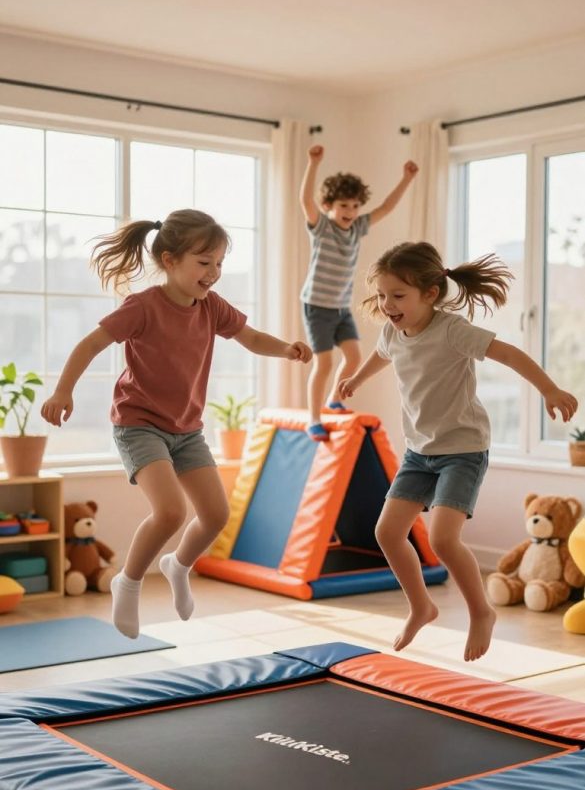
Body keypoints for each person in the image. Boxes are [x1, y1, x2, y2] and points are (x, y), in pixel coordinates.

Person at [41, 210, 312, 639]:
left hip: (186, 429)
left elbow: (250, 337)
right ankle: (126, 581)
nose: (214, 273)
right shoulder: (143, 307)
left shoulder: (211, 307)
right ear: (170, 261)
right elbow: (90, 343)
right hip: (139, 424)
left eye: (219, 263)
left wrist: (286, 349)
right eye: (204, 263)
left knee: (216, 513)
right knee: (170, 511)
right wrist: (63, 391)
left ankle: (177, 565)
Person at [338, 241, 578, 661]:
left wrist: (549, 388)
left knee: (444, 538)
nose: (388, 305)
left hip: (462, 450)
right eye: (382, 295)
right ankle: (421, 607)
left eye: (398, 296)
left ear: (430, 294)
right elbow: (382, 355)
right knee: (387, 532)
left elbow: (508, 353)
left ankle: (480, 613)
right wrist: (356, 380)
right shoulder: (394, 331)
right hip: (419, 451)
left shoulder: (452, 330)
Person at [299, 144, 418, 440]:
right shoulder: (322, 227)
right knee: (324, 363)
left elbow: (387, 207)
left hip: (340, 307)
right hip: (317, 305)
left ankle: (334, 401)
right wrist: (313, 163)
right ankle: (313, 418)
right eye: (343, 206)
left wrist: (406, 178)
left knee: (354, 358)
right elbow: (305, 200)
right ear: (329, 206)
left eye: (354, 206)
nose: (350, 212)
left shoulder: (357, 227)